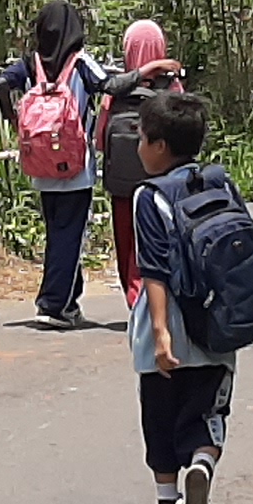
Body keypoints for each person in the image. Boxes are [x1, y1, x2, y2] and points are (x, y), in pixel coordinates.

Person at [126, 87, 232, 504]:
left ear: (159, 146)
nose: (138, 147)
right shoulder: (221, 183)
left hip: (167, 329)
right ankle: (203, 466)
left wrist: (163, 334)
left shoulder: (149, 197)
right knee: (206, 413)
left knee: (160, 418)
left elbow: (152, 269)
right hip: (216, 328)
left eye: (142, 138)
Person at [0, 0, 106, 326]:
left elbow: (1, 82)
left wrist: (11, 117)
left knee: (57, 232)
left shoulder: (31, 64)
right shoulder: (81, 62)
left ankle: (68, 301)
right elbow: (108, 84)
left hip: (41, 164)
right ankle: (54, 305)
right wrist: (143, 74)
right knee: (70, 236)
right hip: (75, 168)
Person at [99, 17, 180, 298]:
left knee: (126, 242)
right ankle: (155, 300)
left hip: (122, 184)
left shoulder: (116, 89)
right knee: (158, 240)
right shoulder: (171, 88)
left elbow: (100, 139)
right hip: (162, 184)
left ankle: (134, 297)